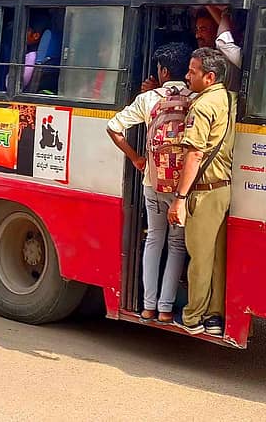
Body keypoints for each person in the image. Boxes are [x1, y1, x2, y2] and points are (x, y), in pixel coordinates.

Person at [106, 43, 194, 324]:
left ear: (164, 70)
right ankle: (167, 309)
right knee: (177, 245)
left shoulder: (148, 99)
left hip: (153, 181)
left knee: (154, 239)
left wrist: (136, 159)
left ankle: (147, 307)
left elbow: (113, 127)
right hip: (183, 187)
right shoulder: (196, 97)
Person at [167, 47, 236, 337]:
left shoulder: (203, 106)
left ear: (209, 77)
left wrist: (180, 199)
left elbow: (194, 154)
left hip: (205, 191)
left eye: (193, 71)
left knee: (200, 257)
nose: (187, 75)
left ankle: (193, 317)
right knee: (218, 259)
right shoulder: (229, 99)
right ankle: (214, 316)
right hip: (224, 189)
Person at [140, 7, 242, 92]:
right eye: (197, 30)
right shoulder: (196, 59)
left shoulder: (229, 60)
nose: (198, 35)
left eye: (203, 29)